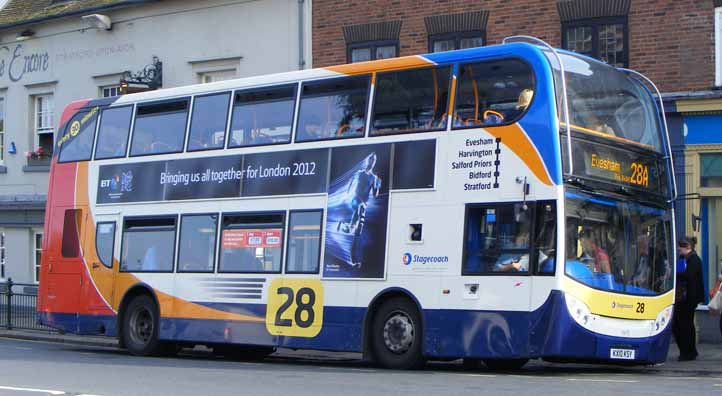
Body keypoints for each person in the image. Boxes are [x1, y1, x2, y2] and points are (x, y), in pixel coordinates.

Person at [672, 236, 705, 361]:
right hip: (681, 297)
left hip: (689, 297)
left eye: (681, 247)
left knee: (686, 325)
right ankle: (686, 350)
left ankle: (688, 351)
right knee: (679, 325)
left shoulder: (694, 260)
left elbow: (689, 275)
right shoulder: (682, 258)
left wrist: (675, 273)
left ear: (688, 248)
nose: (679, 249)